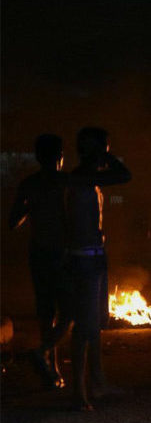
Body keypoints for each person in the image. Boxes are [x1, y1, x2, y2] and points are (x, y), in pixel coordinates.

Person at [65, 127, 131, 410]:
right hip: (83, 260)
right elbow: (124, 175)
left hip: (94, 257)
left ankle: (97, 383)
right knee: (84, 327)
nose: (107, 154)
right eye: (103, 148)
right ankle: (79, 393)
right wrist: (105, 153)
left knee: (94, 327)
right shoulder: (83, 178)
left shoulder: (89, 180)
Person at [9, 134, 72, 389]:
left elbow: (13, 221)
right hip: (63, 254)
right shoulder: (68, 182)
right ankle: (47, 358)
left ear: (38, 157)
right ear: (60, 156)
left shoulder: (30, 184)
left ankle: (52, 368)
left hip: (39, 253)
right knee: (68, 311)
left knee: (47, 313)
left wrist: (31, 207)